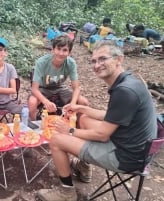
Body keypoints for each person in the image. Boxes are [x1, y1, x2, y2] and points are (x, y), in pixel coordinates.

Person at [36, 40, 157, 201]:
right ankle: (83, 167)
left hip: (126, 156)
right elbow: (112, 116)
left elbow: (102, 135)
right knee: (85, 118)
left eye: (102, 59)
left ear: (119, 59)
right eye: (93, 61)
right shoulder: (129, 82)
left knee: (57, 140)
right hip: (134, 146)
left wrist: (70, 131)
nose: (97, 64)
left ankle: (66, 193)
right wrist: (82, 109)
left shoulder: (125, 91)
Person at [28, 35, 88, 121]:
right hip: (43, 88)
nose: (61, 53)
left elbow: (76, 88)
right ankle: (34, 126)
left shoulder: (71, 63)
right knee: (32, 102)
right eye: (58, 49)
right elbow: (34, 89)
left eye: (64, 50)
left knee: (83, 102)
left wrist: (73, 104)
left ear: (69, 53)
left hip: (59, 88)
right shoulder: (42, 62)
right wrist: (46, 102)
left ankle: (76, 124)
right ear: (53, 49)